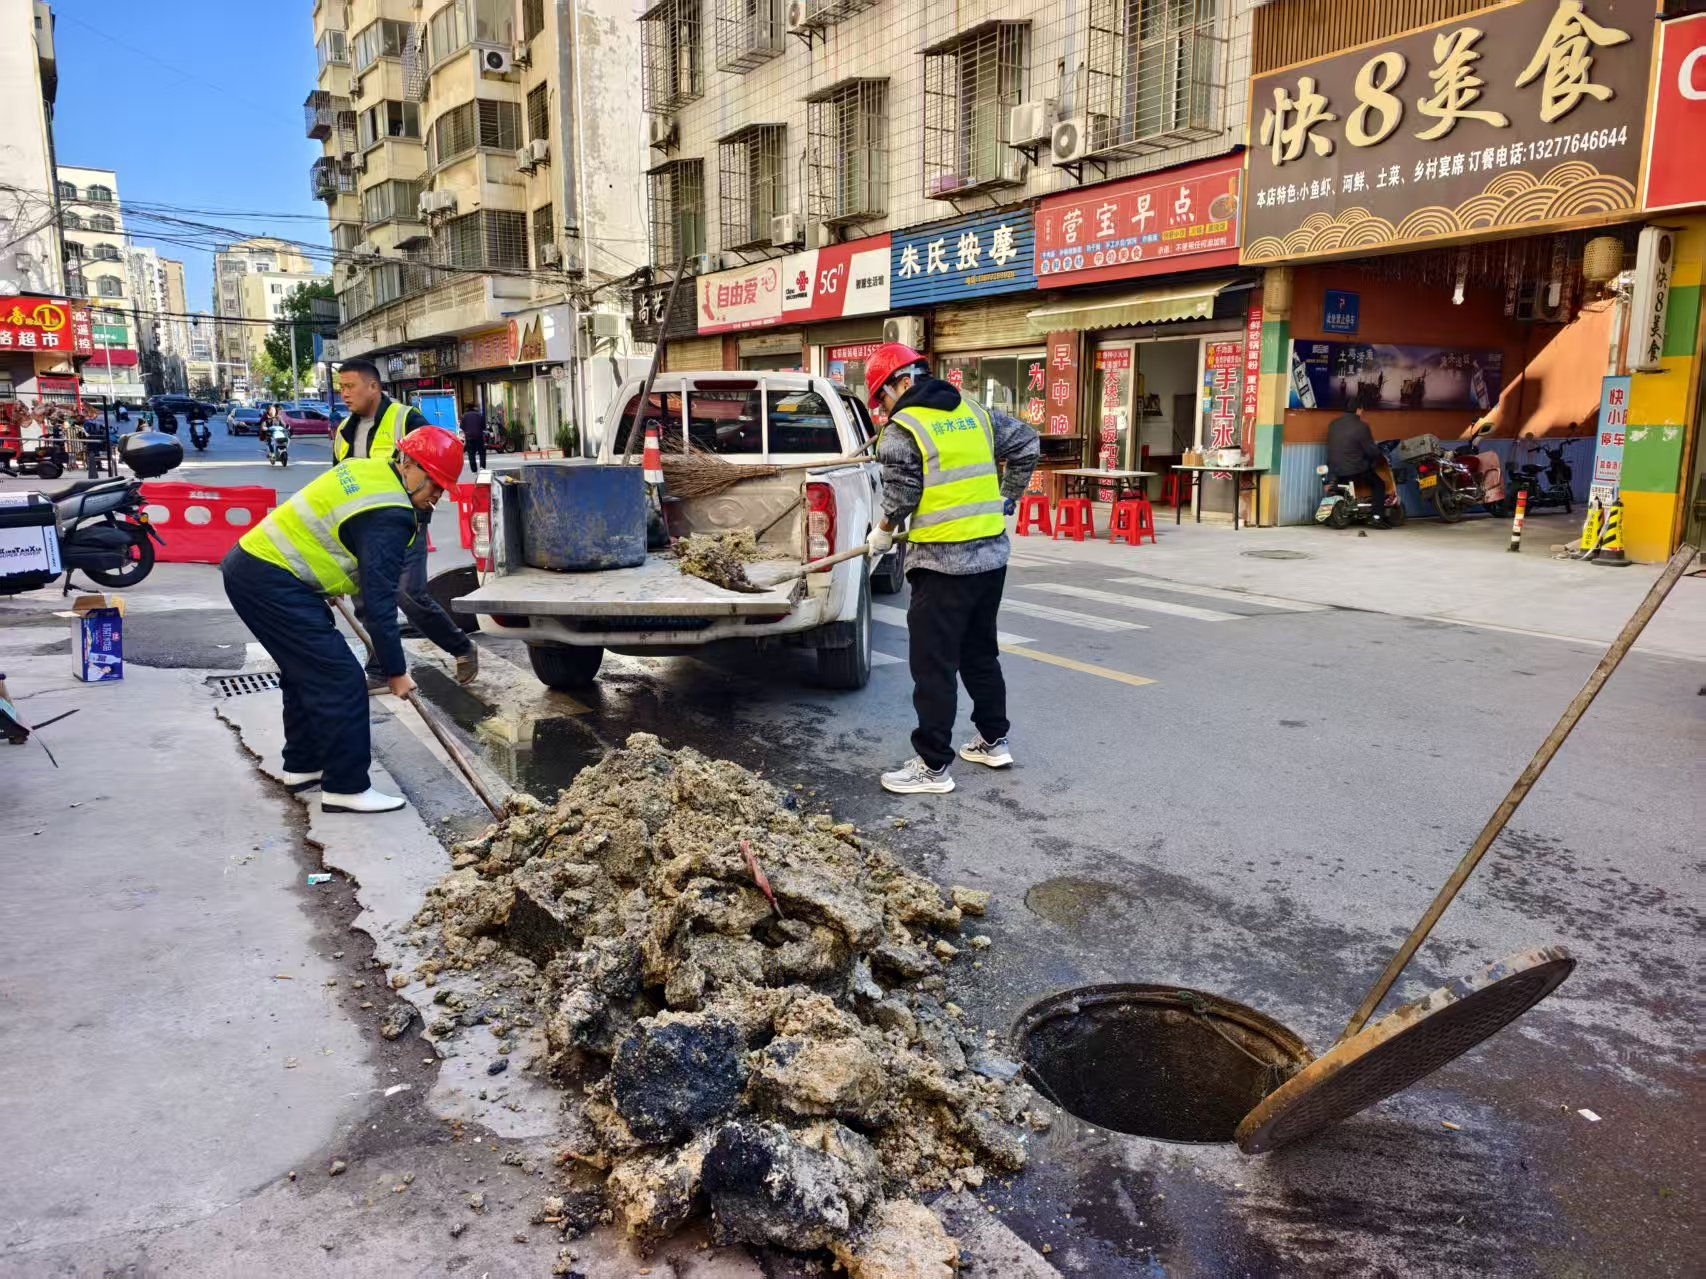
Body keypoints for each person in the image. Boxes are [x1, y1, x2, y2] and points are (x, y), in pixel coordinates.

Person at [221, 429, 465, 813]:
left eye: (443, 488)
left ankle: (303, 765)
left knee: (305, 673)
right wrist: (395, 671)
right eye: (435, 483)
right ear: (410, 466)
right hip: (270, 580)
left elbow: (334, 533)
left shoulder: (369, 471)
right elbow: (380, 603)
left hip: (259, 569)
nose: (437, 496)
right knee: (342, 679)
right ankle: (346, 788)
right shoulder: (392, 514)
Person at [864, 342, 1039, 795]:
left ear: (902, 383)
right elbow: (1027, 442)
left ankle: (932, 766)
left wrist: (882, 531)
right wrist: (1009, 495)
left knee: (933, 665)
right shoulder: (975, 412)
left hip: (942, 566)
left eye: (881, 397)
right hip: (991, 560)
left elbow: (901, 497)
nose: (882, 408)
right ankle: (993, 741)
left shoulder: (903, 429)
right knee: (979, 653)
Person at [333, 359, 477, 687]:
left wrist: (419, 517)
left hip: (405, 523)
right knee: (367, 600)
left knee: (407, 593)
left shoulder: (405, 419)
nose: (345, 394)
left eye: (350, 386)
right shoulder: (344, 431)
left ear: (373, 386)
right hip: (362, 528)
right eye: (341, 388)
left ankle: (461, 647)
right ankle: (380, 667)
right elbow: (339, 479)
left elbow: (437, 465)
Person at [1327, 393, 1387, 524]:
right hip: (1354, 470)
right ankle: (1377, 517)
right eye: (1362, 409)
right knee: (1379, 484)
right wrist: (1379, 454)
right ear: (1358, 410)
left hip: (1335, 469)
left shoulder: (1333, 425)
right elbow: (1370, 450)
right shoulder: (1361, 426)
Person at [459, 401, 488, 473]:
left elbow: (462, 427)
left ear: (467, 408)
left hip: (469, 437)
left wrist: (467, 431)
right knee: (482, 452)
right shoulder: (479, 415)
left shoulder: (464, 416)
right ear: (474, 408)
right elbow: (483, 427)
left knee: (471, 454)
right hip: (479, 436)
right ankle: (482, 467)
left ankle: (474, 470)